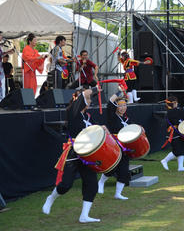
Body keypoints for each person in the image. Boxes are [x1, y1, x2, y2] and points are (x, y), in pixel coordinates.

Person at [42, 87, 101, 223]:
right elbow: (85, 93)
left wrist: (100, 128)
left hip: (87, 153)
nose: (89, 101)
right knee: (65, 185)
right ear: (78, 100)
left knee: (91, 184)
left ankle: (84, 216)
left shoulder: (87, 116)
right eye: (87, 99)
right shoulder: (72, 111)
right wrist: (95, 88)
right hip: (74, 151)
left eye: (89, 99)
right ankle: (51, 198)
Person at [98, 88, 131, 200]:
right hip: (114, 146)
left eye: (124, 105)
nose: (123, 107)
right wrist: (119, 92)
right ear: (116, 107)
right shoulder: (112, 116)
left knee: (124, 170)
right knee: (111, 168)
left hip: (125, 146)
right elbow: (110, 103)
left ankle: (118, 194)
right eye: (120, 105)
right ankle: (101, 182)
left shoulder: (126, 119)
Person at [160, 96, 184, 171]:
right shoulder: (171, 112)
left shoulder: (174, 111)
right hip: (173, 134)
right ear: (173, 103)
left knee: (181, 150)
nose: (177, 104)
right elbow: (180, 112)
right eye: (176, 103)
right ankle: (165, 160)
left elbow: (182, 118)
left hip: (178, 132)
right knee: (177, 150)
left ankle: (180, 167)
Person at [0, 31, 15, 100]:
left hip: (1, 69)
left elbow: (1, 54)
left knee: (3, 86)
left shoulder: (0, 47)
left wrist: (8, 52)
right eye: (0, 36)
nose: (1, 37)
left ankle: (2, 100)